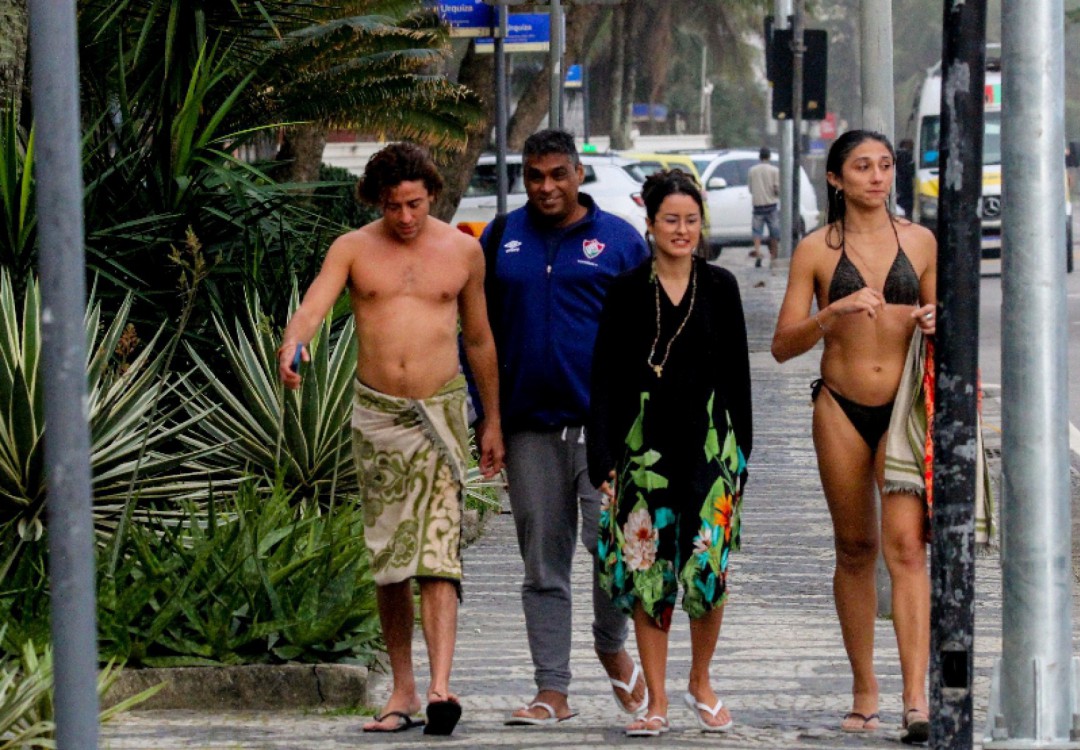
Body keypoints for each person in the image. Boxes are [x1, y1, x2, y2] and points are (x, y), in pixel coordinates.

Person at [277, 142, 504, 737]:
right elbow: (315, 306)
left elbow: (479, 340)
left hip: (443, 414)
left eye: (415, 204)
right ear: (377, 201)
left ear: (432, 194)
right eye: (393, 206)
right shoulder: (352, 248)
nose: (405, 217)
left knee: (437, 552)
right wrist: (292, 343)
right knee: (391, 559)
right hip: (377, 417)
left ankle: (440, 686)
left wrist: (493, 420)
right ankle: (401, 688)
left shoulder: (463, 251)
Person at [770, 130, 937, 744]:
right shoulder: (815, 250)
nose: (876, 176)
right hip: (839, 408)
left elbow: (949, 327)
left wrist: (934, 317)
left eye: (885, 165)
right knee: (855, 548)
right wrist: (830, 313)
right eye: (862, 166)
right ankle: (865, 689)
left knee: (908, 548)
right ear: (836, 179)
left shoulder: (920, 242)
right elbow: (783, 345)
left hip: (902, 411)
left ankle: (915, 697)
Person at [481, 129, 651, 725]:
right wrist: (489, 420)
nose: (545, 186)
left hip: (606, 428)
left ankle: (611, 641)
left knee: (612, 550)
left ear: (579, 174)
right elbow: (478, 336)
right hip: (528, 427)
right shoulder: (501, 238)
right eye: (534, 175)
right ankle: (552, 690)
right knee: (542, 565)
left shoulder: (622, 242)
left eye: (557, 174)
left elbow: (651, 334)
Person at [588, 169, 752, 737]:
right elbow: (604, 376)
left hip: (710, 446)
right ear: (651, 223)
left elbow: (737, 376)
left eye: (690, 220)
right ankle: (655, 700)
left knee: (707, 572)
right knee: (648, 572)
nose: (682, 230)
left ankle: (700, 680)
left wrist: (741, 458)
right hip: (643, 449)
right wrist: (601, 453)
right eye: (670, 220)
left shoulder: (723, 285)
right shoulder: (627, 289)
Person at [748, 147, 781, 265]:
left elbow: (751, 189)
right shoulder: (774, 170)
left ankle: (758, 252)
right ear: (769, 156)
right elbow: (776, 188)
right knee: (774, 232)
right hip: (771, 205)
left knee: (757, 231)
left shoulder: (752, 170)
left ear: (759, 156)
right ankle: (774, 256)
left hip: (757, 205)